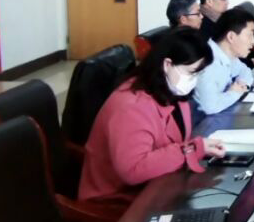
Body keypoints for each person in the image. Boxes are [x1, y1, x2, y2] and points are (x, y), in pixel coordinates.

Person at [78, 27, 226, 206]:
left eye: (198, 73)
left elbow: (177, 140)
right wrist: (191, 150)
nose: (194, 80)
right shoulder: (131, 107)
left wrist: (196, 148)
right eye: (191, 72)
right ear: (167, 64)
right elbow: (133, 170)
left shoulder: (173, 91)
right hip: (117, 200)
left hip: (156, 185)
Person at [192, 8, 254, 120]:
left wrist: (242, 84)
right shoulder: (208, 63)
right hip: (204, 124)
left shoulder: (226, 54)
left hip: (221, 116)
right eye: (249, 35)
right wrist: (235, 92)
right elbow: (210, 107)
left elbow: (245, 71)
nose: (253, 41)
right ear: (231, 37)